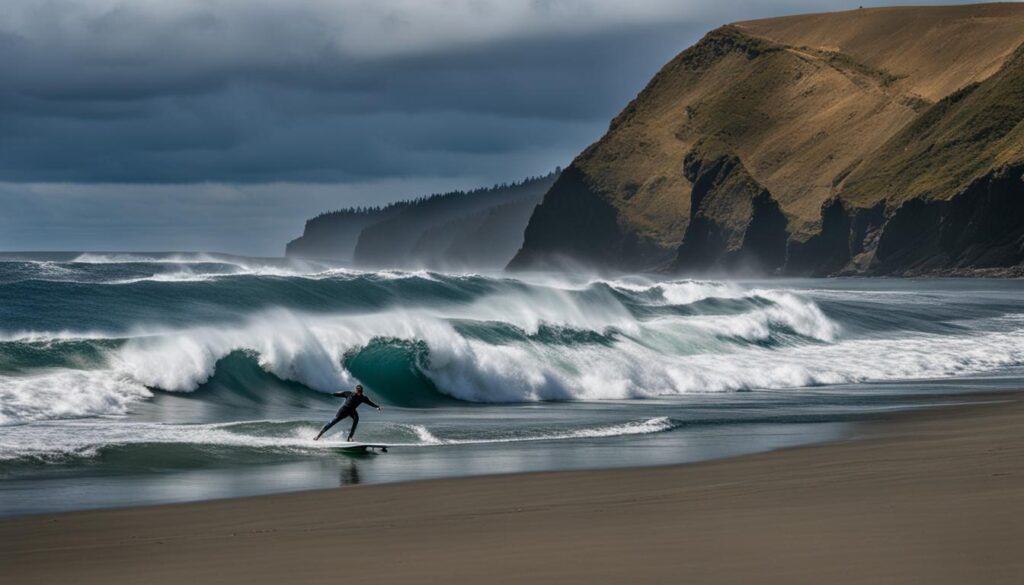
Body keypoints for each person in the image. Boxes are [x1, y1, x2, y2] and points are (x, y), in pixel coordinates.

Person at [314, 384, 382, 442]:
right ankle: (318, 435)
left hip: (352, 411)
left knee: (356, 419)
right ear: (356, 390)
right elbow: (339, 394)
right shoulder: (349, 393)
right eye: (358, 391)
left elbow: (369, 403)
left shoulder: (363, 398)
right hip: (344, 410)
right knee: (333, 421)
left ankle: (350, 437)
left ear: (362, 391)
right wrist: (331, 393)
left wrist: (376, 407)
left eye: (360, 391)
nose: (359, 392)